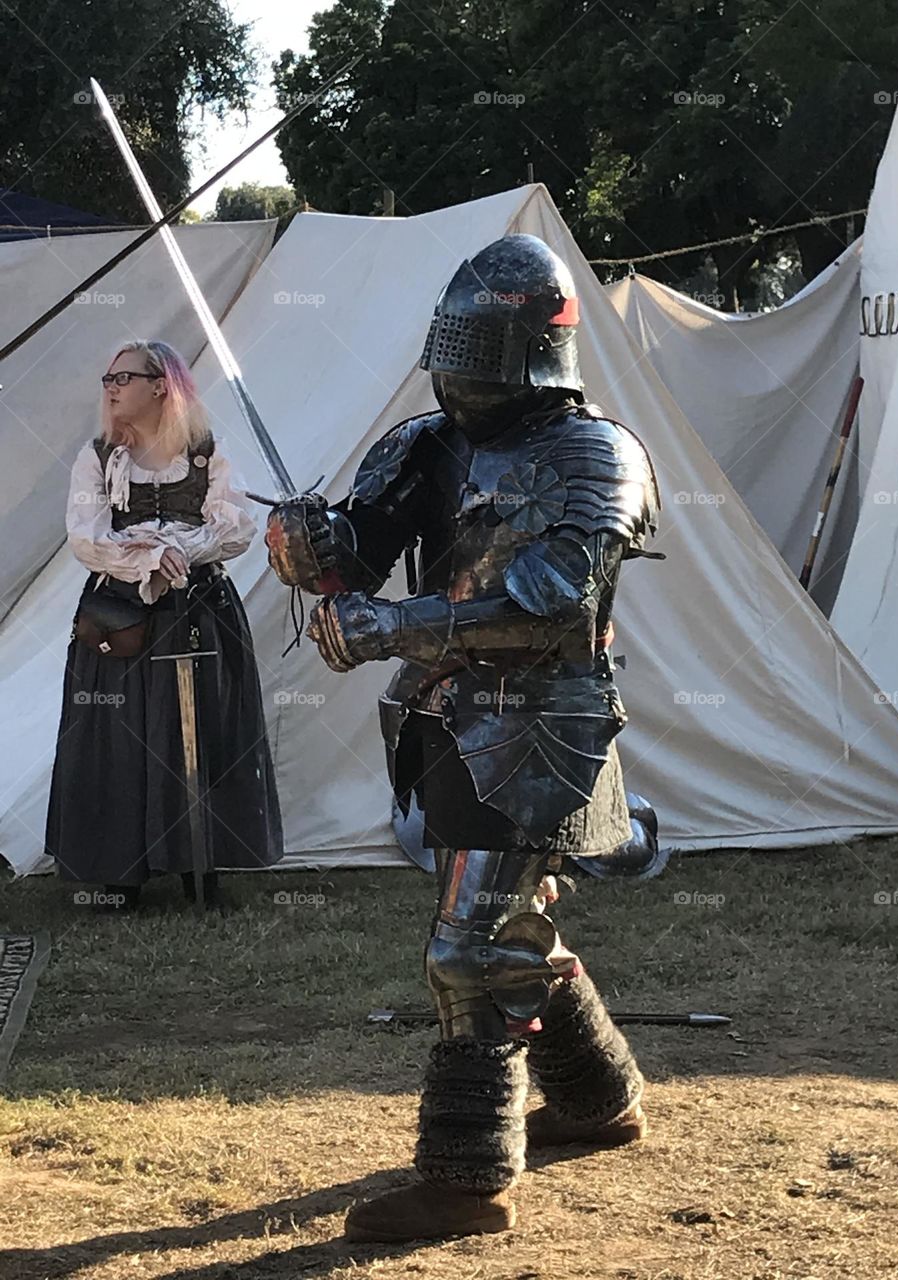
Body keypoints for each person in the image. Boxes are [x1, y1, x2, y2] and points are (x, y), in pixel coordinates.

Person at [266, 234, 660, 1242]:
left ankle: (469, 1178)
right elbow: (367, 541)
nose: (455, 363)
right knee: (503, 922)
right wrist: (314, 546)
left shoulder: (596, 453)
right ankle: (595, 1097)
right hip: (443, 713)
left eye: (474, 341)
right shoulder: (423, 442)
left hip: (542, 725)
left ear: (530, 343)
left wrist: (390, 625)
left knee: (471, 943)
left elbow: (547, 602)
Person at [45, 339, 283, 910]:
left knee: (198, 733)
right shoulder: (99, 458)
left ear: (161, 384)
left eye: (122, 377)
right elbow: (86, 536)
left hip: (198, 613)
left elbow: (236, 526)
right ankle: (120, 876)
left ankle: (200, 867)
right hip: (120, 618)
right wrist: (150, 555)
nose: (111, 388)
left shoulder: (206, 453)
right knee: (119, 733)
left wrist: (179, 545)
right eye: (107, 379)